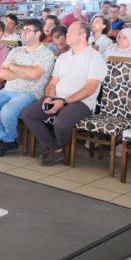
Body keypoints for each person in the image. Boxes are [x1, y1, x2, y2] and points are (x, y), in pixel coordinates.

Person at [21, 21, 107, 166]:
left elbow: (90, 89)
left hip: (81, 102)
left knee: (60, 123)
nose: (67, 34)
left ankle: (55, 150)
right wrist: (49, 97)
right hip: (57, 97)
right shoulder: (63, 57)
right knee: (28, 114)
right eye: (67, 32)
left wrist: (64, 102)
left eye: (71, 31)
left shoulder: (95, 57)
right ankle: (56, 149)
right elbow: (52, 83)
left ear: (83, 35)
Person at [0, 19, 56, 156]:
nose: (23, 33)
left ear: (38, 33)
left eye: (27, 30)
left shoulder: (46, 53)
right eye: (22, 30)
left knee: (7, 111)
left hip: (30, 92)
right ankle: (7, 139)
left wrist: (13, 67)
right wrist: (25, 74)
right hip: (8, 90)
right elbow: (2, 73)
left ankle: (7, 140)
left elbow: (34, 73)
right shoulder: (15, 51)